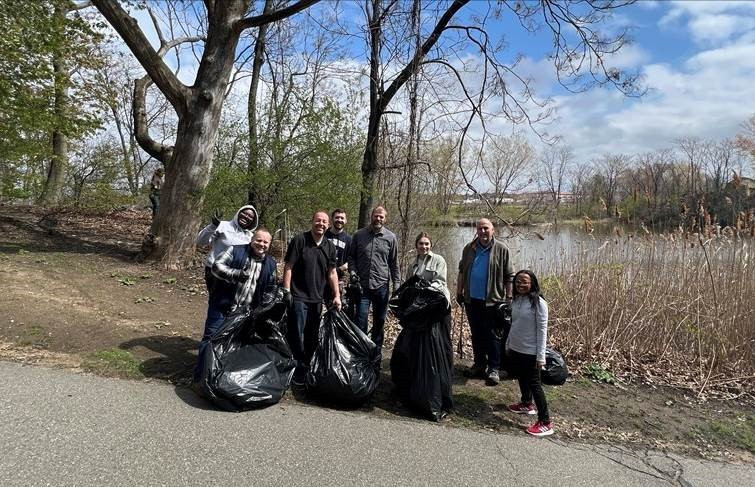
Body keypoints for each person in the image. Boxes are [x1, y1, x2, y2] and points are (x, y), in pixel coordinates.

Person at [193, 228, 276, 382]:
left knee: (234, 346)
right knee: (211, 340)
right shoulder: (235, 250)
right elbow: (216, 267)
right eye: (258, 240)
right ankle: (199, 378)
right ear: (252, 240)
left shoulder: (271, 264)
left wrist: (270, 304)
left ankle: (219, 380)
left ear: (269, 244)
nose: (261, 244)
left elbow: (270, 288)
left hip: (245, 314)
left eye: (265, 242)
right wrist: (236, 274)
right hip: (222, 306)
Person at [283, 211, 342, 385]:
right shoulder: (300, 240)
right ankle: (296, 367)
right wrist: (286, 291)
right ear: (312, 221)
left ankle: (306, 366)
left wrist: (337, 295)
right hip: (298, 295)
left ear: (328, 225)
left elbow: (332, 273)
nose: (321, 224)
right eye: (318, 221)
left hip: (317, 298)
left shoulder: (329, 247)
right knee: (297, 333)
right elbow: (289, 266)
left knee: (311, 335)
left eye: (324, 222)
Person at [456, 218, 514, 386]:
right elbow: (461, 271)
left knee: (493, 335)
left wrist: (509, 299)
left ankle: (494, 368)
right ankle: (479, 364)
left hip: (493, 301)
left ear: (492, 229)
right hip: (471, 300)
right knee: (477, 334)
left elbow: (509, 276)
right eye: (480, 229)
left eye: (486, 228)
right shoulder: (469, 248)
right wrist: (459, 292)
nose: (482, 232)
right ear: (476, 230)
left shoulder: (502, 249)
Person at [505, 269, 553, 437]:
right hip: (517, 348)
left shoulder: (539, 303)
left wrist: (541, 357)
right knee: (521, 376)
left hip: (531, 352)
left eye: (525, 282)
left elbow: (542, 331)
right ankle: (526, 404)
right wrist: (509, 343)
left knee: (535, 384)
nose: (521, 285)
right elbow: (515, 324)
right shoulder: (517, 300)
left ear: (532, 283)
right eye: (518, 282)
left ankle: (545, 422)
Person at [347, 206, 400, 350]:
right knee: (360, 321)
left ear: (385, 219)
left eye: (381, 217)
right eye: (376, 216)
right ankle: (362, 354)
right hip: (362, 286)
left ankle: (376, 356)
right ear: (371, 216)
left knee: (379, 323)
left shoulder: (391, 237)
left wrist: (397, 286)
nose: (378, 219)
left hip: (381, 287)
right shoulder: (359, 235)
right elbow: (351, 257)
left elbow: (394, 263)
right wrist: (352, 273)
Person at [406, 231, 452, 359]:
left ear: (431, 245)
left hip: (439, 306)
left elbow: (440, 282)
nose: (423, 246)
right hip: (421, 308)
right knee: (423, 340)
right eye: (421, 243)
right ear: (416, 245)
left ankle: (446, 366)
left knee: (442, 338)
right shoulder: (412, 265)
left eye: (427, 244)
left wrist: (423, 291)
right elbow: (408, 286)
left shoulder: (439, 260)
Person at [196, 205, 259, 294]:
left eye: (250, 216)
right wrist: (212, 226)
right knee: (215, 300)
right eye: (244, 213)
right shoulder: (223, 225)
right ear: (238, 213)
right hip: (214, 270)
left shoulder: (250, 237)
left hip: (235, 274)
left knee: (228, 303)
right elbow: (200, 241)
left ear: (253, 221)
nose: (246, 216)